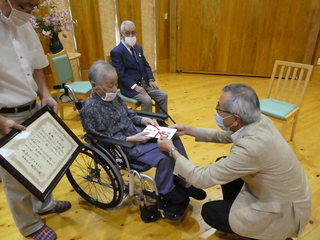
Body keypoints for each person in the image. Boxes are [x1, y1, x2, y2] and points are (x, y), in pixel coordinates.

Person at [158, 83, 312, 240]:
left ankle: (259, 232)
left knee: (210, 211)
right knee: (222, 161)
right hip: (287, 195)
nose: (217, 111)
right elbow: (228, 135)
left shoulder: (251, 147)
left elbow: (201, 179)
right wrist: (189, 130)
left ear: (236, 118)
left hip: (284, 214)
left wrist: (172, 150)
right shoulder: (259, 119)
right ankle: (237, 209)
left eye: (219, 108)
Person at [79, 60, 206, 210]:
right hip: (121, 147)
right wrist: (131, 139)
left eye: (116, 83)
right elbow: (99, 139)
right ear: (95, 86)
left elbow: (129, 115)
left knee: (173, 138)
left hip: (136, 134)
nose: (115, 88)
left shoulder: (114, 97)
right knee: (164, 154)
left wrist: (144, 120)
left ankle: (182, 179)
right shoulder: (89, 110)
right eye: (110, 85)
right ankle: (166, 191)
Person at [0, 1, 71, 239]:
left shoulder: (23, 24)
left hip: (33, 107)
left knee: (40, 163)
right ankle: (29, 226)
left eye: (34, 6)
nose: (30, 11)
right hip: (5, 115)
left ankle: (44, 205)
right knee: (15, 178)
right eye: (26, 4)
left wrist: (46, 94)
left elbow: (38, 66)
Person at [110, 20, 168, 114]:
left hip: (144, 83)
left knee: (163, 95)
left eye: (133, 33)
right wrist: (135, 86)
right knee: (147, 100)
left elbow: (145, 65)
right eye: (127, 33)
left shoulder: (138, 48)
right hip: (130, 87)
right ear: (122, 34)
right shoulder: (117, 51)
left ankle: (161, 120)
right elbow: (120, 73)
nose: (131, 36)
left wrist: (150, 80)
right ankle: (146, 125)